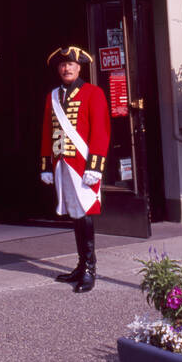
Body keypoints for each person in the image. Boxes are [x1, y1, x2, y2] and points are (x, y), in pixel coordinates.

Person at [40, 45, 110, 293]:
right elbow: (47, 133)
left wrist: (95, 166)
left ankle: (90, 268)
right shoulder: (53, 96)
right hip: (62, 165)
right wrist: (46, 164)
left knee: (86, 213)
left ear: (79, 67)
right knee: (75, 215)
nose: (66, 68)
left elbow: (101, 131)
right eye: (62, 64)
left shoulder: (93, 93)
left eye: (70, 64)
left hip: (83, 165)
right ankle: (81, 266)